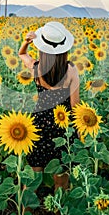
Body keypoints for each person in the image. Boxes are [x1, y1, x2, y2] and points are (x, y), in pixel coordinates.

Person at [18, 21, 80, 191]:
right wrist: (80, 134)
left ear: (42, 48)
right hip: (62, 127)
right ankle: (59, 207)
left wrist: (26, 42)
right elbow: (75, 107)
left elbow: (21, 54)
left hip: (39, 124)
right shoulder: (71, 71)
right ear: (64, 49)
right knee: (61, 179)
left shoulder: (36, 68)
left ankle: (25, 210)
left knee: (32, 175)